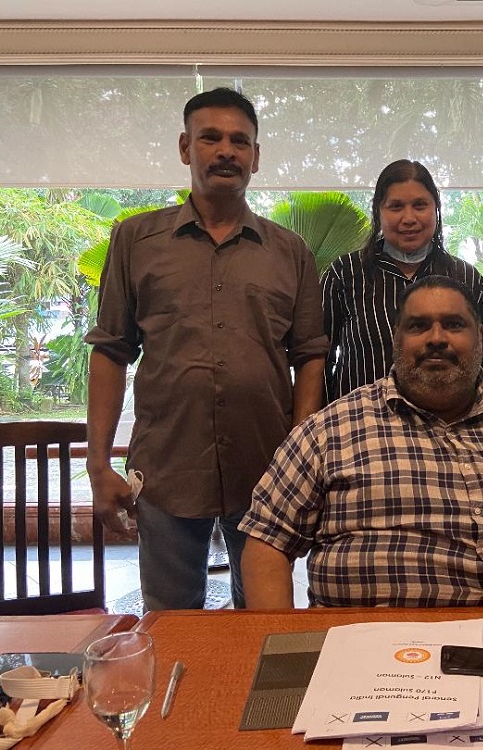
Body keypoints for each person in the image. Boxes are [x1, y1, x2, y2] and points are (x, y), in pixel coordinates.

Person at [240, 275, 483, 609]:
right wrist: (283, 648)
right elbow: (267, 542)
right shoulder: (328, 432)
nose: (436, 338)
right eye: (418, 326)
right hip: (368, 659)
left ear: (480, 337)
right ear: (397, 339)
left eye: (453, 324)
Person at [85, 87, 328, 612]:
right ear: (184, 147)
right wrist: (98, 462)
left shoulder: (291, 252)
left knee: (265, 627)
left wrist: (301, 458)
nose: (226, 151)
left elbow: (310, 355)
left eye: (240, 141)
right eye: (210, 137)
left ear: (256, 156)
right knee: (172, 625)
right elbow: (109, 350)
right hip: (168, 466)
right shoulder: (135, 240)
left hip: (267, 471)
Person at [322, 159, 483, 403]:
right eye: (395, 206)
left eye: (420, 205)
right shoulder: (344, 274)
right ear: (378, 212)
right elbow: (319, 362)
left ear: (435, 208)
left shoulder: (467, 279)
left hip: (451, 431)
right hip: (362, 430)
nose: (409, 218)